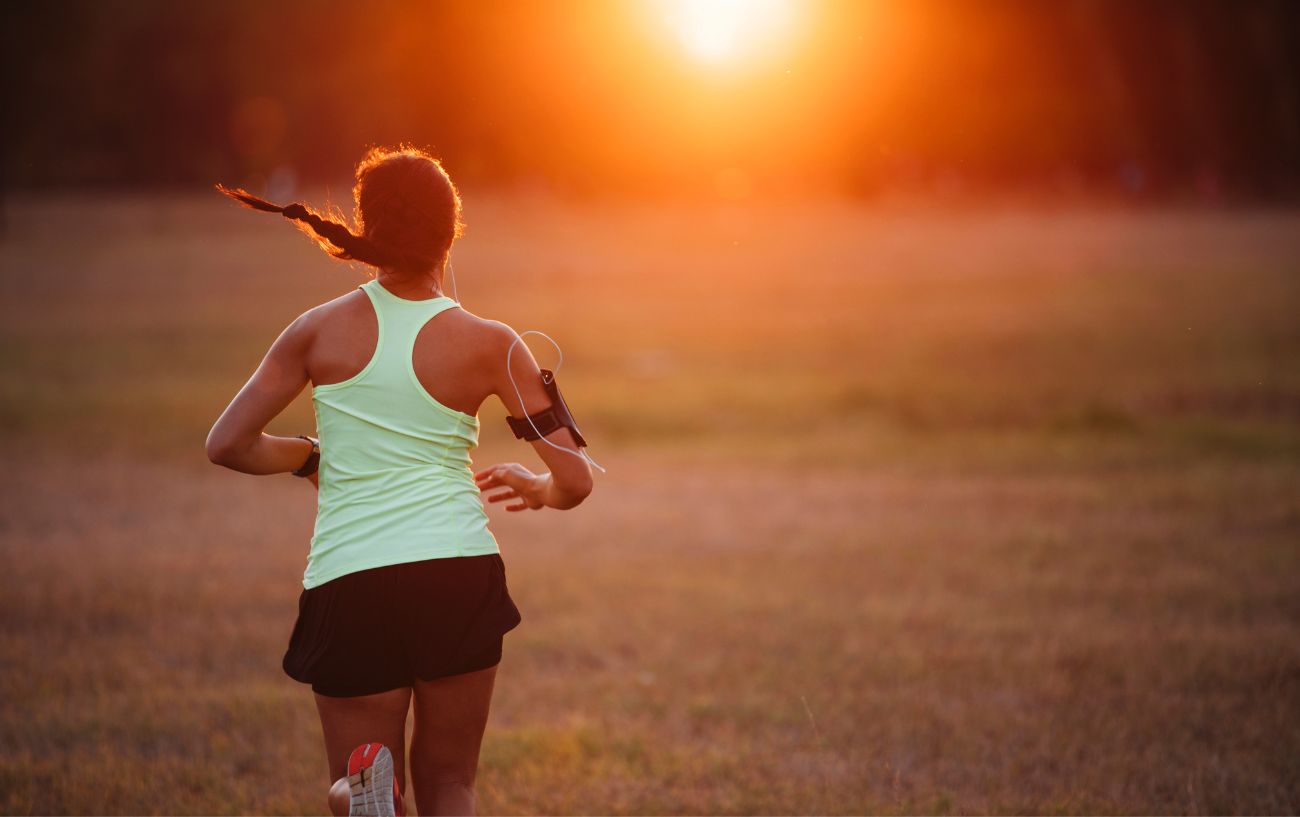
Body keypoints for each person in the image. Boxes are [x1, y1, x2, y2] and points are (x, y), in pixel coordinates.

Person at [205, 146, 595, 815]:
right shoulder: (492, 341)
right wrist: (537, 487)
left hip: (350, 577)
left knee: (362, 783)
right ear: (453, 229)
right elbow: (576, 478)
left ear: (366, 227)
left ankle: (359, 794)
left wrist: (309, 457)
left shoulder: (314, 331)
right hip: (456, 571)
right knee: (452, 785)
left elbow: (227, 443)